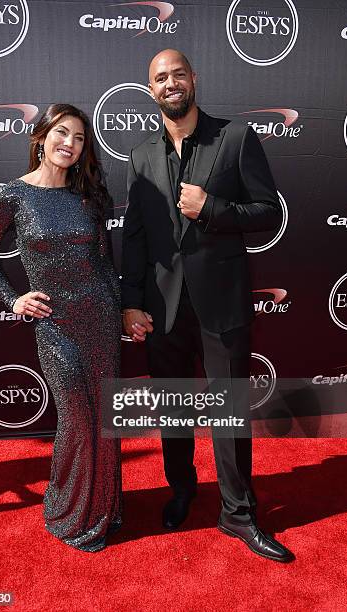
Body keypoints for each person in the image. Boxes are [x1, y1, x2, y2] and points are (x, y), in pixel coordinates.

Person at [121, 50, 294, 562]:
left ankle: (239, 514)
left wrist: (211, 209)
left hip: (222, 303)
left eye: (178, 74)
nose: (170, 83)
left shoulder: (235, 137)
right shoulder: (140, 155)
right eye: (160, 78)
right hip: (162, 306)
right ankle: (181, 491)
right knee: (173, 409)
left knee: (230, 414)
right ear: (151, 90)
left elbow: (268, 211)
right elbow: (134, 238)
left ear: (194, 79)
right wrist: (130, 303)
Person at [0, 104, 121, 552]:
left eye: (79, 138)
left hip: (100, 314)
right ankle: (68, 509)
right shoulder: (11, 196)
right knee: (77, 417)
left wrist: (123, 312)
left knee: (103, 417)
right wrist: (14, 298)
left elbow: (105, 263)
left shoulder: (90, 197)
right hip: (55, 323)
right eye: (62, 133)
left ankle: (104, 508)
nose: (70, 144)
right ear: (41, 137)